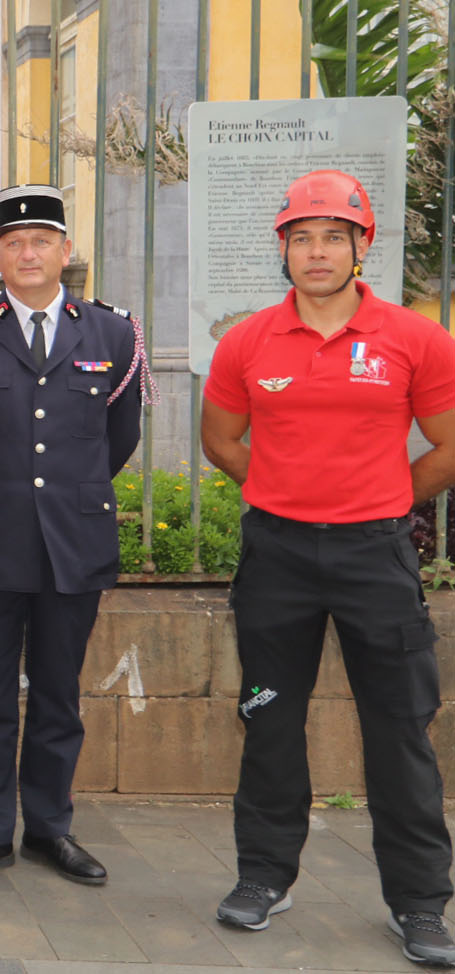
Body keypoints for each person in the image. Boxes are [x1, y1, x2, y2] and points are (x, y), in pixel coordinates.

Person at [201, 169, 455, 967]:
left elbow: (448, 443)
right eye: (301, 238)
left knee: (399, 730)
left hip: (373, 555)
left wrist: (382, 501)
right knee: (268, 719)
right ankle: (261, 877)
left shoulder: (415, 339)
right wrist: (280, 494)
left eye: (331, 237)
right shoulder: (246, 340)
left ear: (359, 247)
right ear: (282, 249)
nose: (315, 252)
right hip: (277, 554)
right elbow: (220, 439)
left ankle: (418, 903)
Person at [0, 184, 145, 888]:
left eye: (41, 241)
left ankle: (49, 829)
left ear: (65, 251)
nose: (27, 253)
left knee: (58, 696)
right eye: (13, 242)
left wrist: (66, 496)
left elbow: (118, 440)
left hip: (72, 547)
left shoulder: (113, 334)